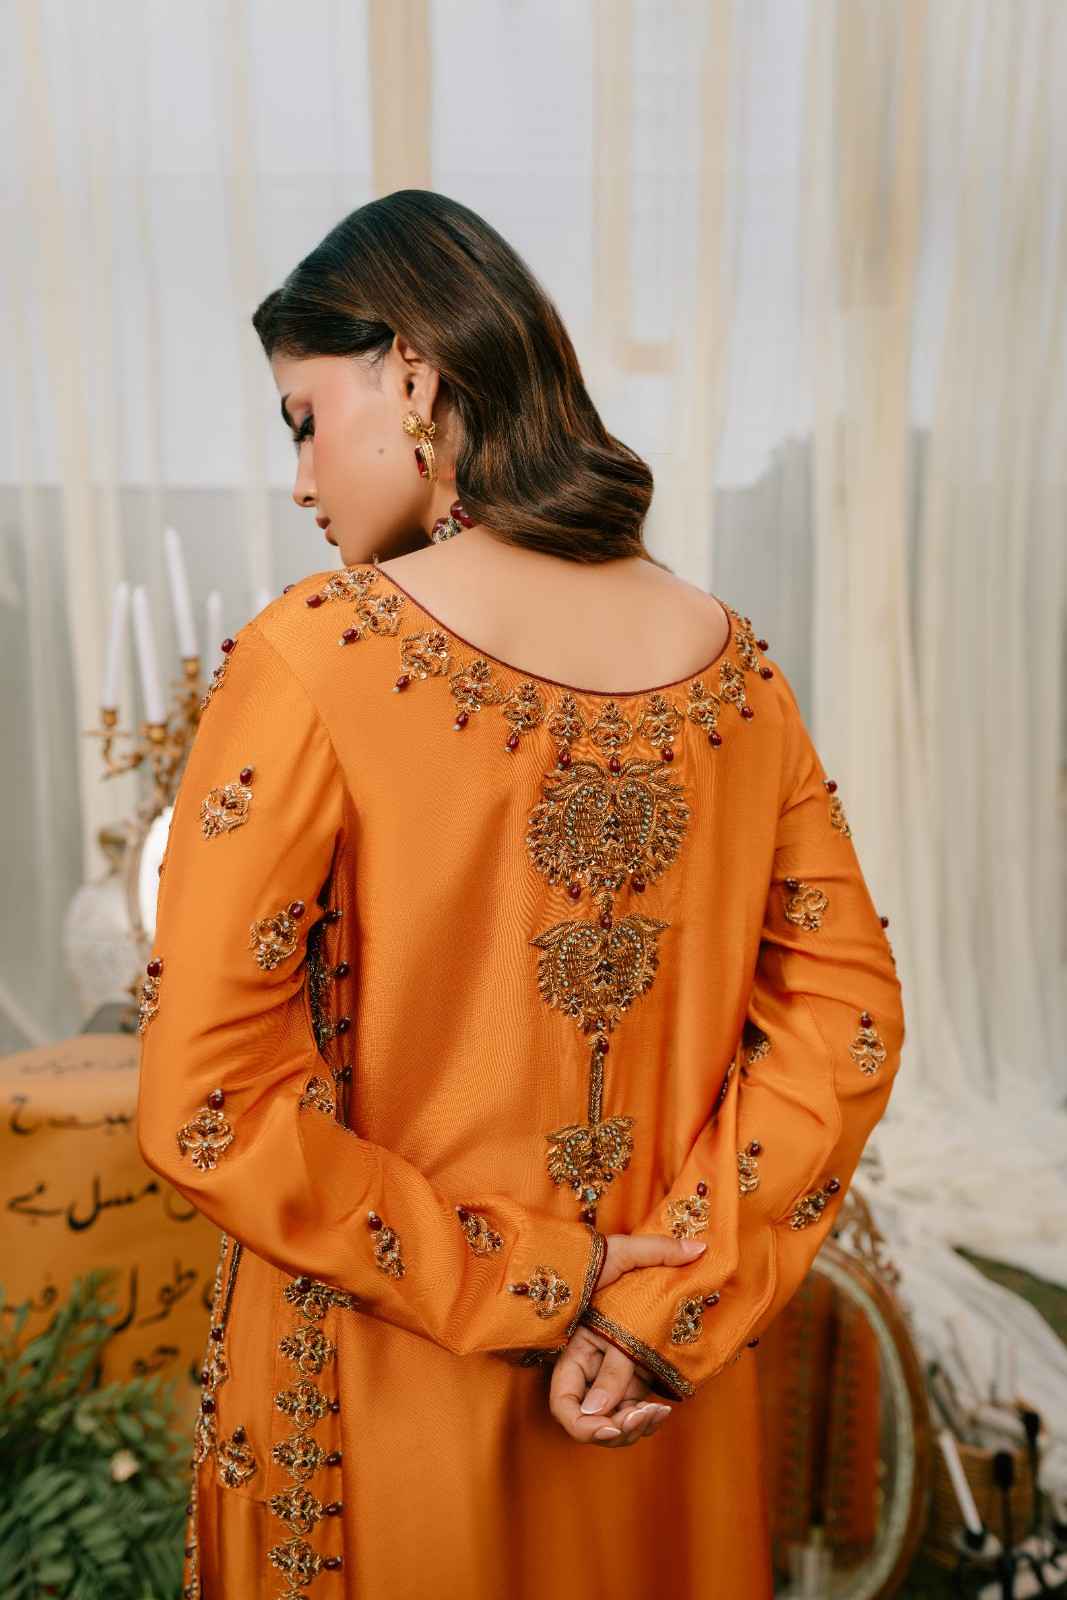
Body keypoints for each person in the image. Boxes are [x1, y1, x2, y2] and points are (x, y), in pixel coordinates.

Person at [136, 189, 905, 1600]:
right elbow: (845, 1022)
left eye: (303, 421)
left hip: (377, 1393)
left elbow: (208, 1102)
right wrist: (662, 1303)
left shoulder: (315, 656)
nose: (300, 483)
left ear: (413, 373)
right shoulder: (736, 671)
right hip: (648, 1398)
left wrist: (531, 1278)